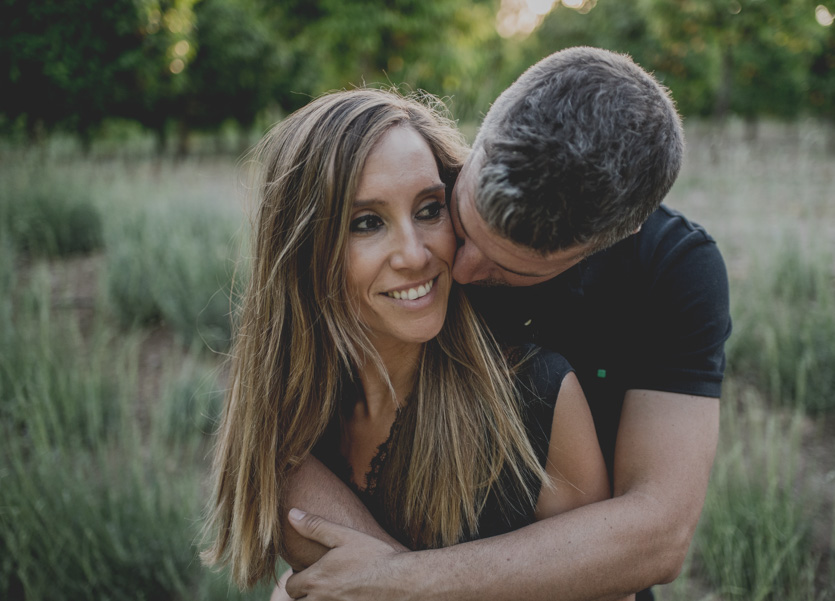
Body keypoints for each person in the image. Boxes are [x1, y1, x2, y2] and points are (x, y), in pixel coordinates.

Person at [278, 47, 731, 601]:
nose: (459, 268)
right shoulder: (422, 180)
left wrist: (403, 583)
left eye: (506, 267)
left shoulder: (671, 270)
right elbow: (279, 415)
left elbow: (656, 534)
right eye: (462, 221)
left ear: (602, 245)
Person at [200, 88, 618, 595]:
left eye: (428, 210)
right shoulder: (293, 414)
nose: (415, 255)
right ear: (303, 253)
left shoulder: (535, 395)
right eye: (367, 223)